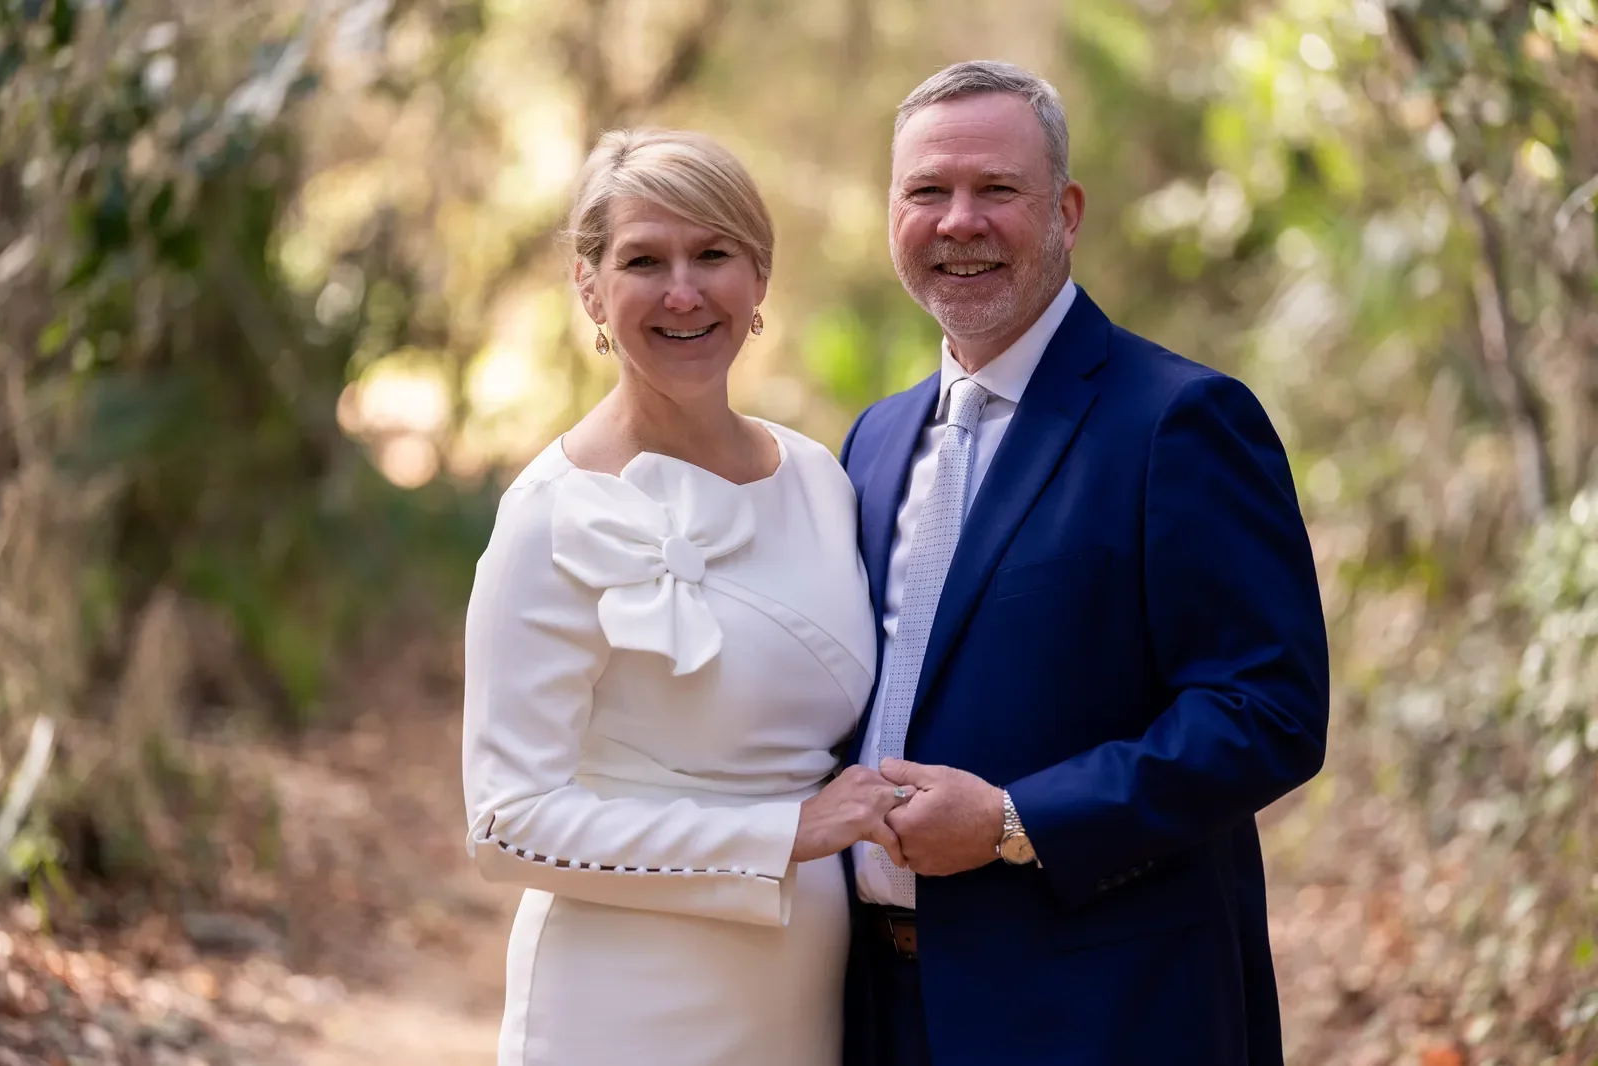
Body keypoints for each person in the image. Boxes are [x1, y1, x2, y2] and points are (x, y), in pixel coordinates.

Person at [838, 61, 1330, 1065]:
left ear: (1065, 211)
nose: (958, 221)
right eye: (926, 191)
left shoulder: (1179, 422)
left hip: (1101, 1007)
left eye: (997, 191)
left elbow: (1265, 711)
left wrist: (1015, 820)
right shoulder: (871, 442)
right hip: (878, 1005)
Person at [460, 128, 912, 1066]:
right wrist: (779, 833)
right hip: (622, 1000)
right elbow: (505, 824)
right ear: (589, 288)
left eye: (713, 254)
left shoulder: (821, 479)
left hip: (806, 996)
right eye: (642, 260)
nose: (682, 290)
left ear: (759, 281)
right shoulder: (548, 515)